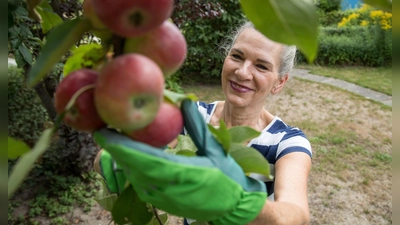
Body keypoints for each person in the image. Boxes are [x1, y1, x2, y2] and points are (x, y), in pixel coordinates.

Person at [93, 21, 312, 225]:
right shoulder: (193, 117)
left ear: (279, 82)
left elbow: (295, 215)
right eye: (237, 56)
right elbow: (108, 158)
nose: (242, 72)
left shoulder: (287, 142)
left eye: (262, 66)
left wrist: (242, 204)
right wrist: (120, 157)